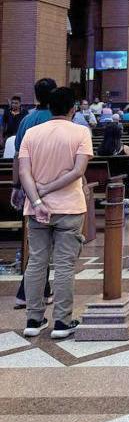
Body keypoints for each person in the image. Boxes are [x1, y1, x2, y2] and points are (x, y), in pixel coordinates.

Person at [18, 86, 93, 338]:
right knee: (64, 265)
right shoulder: (81, 132)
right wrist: (49, 189)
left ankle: (33, 319)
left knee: (37, 262)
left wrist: (38, 200)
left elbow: (23, 173)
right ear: (73, 109)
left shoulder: (31, 133)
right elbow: (78, 171)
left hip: (36, 209)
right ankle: (61, 322)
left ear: (49, 108)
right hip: (70, 207)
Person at [10, 78, 58, 309]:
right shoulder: (58, 120)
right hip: (55, 189)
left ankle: (44, 290)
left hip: (31, 187)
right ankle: (25, 292)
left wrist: (16, 186)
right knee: (45, 247)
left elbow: (19, 157)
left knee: (41, 243)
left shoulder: (27, 120)